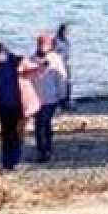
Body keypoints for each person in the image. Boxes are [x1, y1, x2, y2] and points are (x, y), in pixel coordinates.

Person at [0, 43, 42, 171]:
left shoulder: (18, 61)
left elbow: (35, 71)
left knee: (18, 134)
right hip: (2, 107)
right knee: (6, 135)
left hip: (21, 105)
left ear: (3, 52)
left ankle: (14, 160)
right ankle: (7, 163)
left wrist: (41, 65)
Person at [30, 33, 68, 163]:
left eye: (44, 44)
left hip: (51, 98)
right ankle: (45, 149)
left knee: (41, 124)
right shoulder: (32, 59)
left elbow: (61, 78)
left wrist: (63, 97)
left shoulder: (55, 59)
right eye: (40, 43)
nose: (42, 46)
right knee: (42, 125)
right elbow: (29, 78)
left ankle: (44, 152)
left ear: (50, 45)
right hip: (36, 99)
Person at [54, 22, 72, 109]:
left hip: (65, 62)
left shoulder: (66, 40)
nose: (66, 32)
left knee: (68, 82)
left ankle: (66, 101)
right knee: (60, 83)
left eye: (67, 31)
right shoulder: (56, 40)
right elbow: (54, 52)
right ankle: (61, 102)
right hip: (58, 63)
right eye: (64, 30)